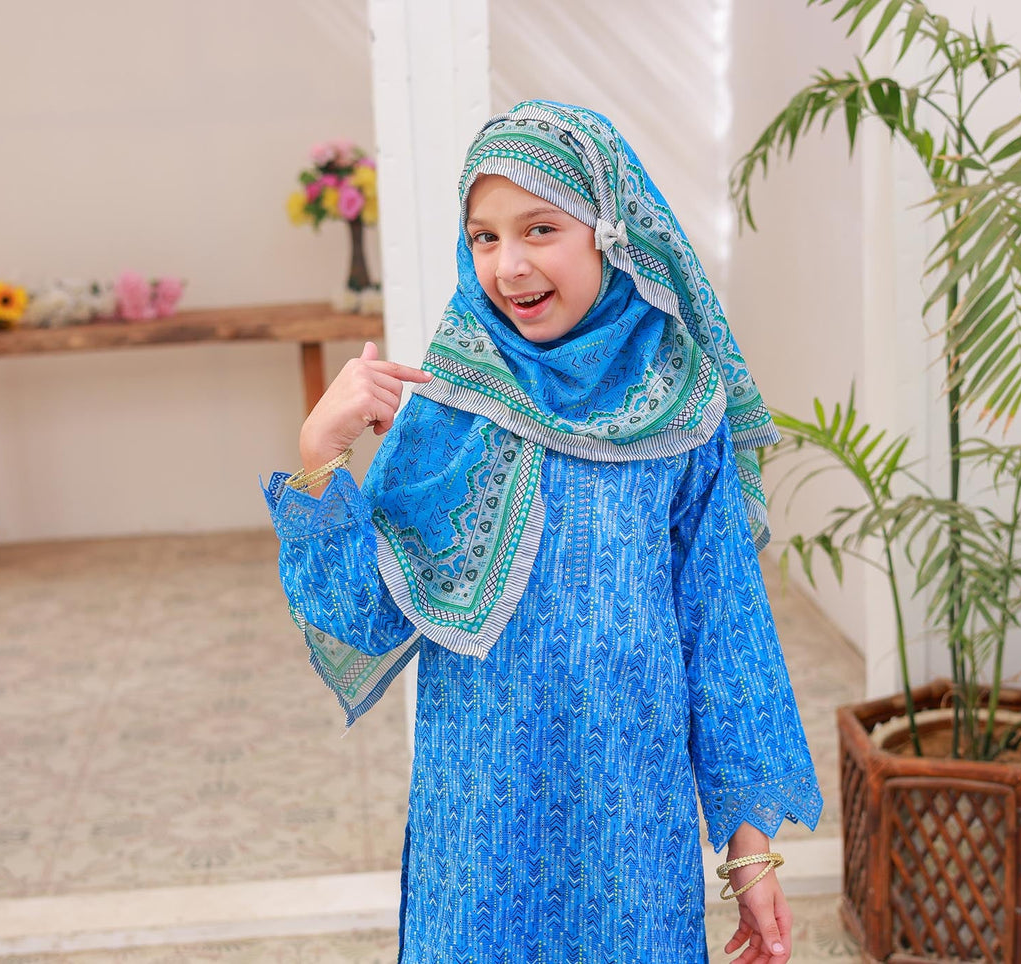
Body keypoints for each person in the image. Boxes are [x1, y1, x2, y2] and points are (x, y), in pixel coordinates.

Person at [262, 100, 821, 964]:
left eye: (539, 228)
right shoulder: (454, 402)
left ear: (611, 232)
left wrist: (749, 859)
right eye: (483, 237)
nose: (508, 265)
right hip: (478, 830)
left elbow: (724, 637)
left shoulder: (681, 407)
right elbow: (359, 616)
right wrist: (319, 459)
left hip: (629, 822)